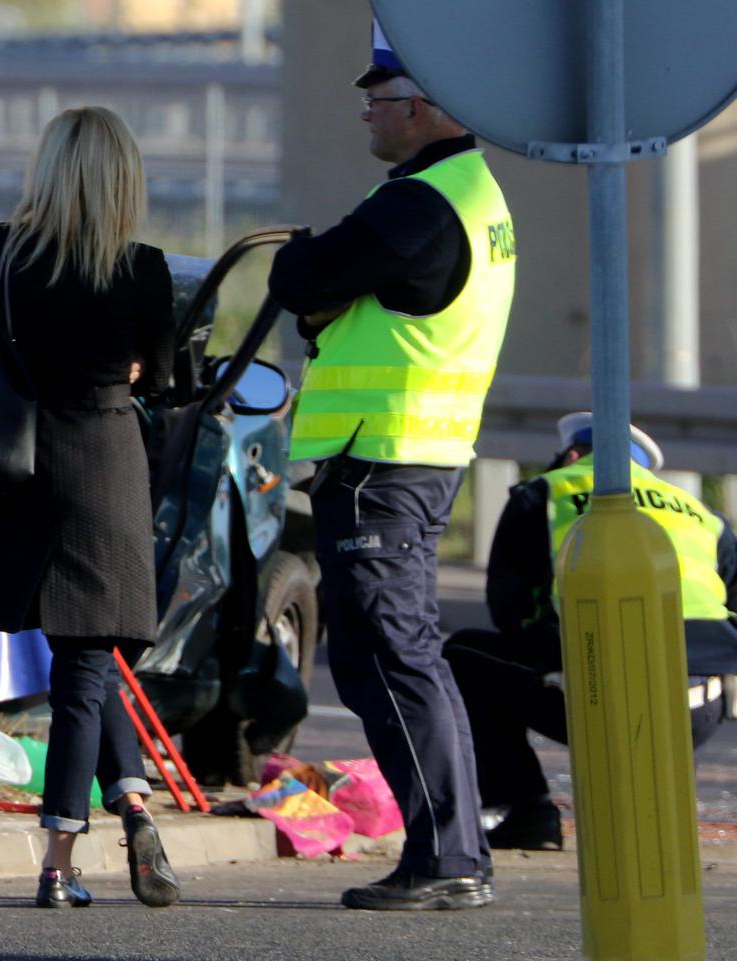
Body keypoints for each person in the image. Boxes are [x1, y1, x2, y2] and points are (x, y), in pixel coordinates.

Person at [266, 21, 516, 911]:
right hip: (410, 457)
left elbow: (300, 278)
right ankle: (451, 848)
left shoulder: (420, 205)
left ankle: (446, 856)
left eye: (380, 97)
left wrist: (309, 273)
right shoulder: (465, 193)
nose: (368, 111)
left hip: (384, 460)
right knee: (401, 656)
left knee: (392, 657)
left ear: (425, 107)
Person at [0, 106, 180, 909]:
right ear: (123, 178)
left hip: (26, 467)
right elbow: (160, 373)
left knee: (81, 661)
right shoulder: (144, 269)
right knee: (86, 670)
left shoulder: (3, 251)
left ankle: (132, 800)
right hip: (104, 467)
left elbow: (9, 341)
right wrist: (130, 367)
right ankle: (58, 862)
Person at [445, 412, 737, 849]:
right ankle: (657, 816)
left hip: (597, 698)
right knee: (684, 662)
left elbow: (510, 611)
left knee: (463, 656)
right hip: (698, 709)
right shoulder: (701, 513)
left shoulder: (545, 493)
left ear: (573, 455)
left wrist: (554, 647)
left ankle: (528, 813)